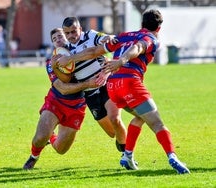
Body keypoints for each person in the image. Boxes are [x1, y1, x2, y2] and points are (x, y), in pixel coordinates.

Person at [58, 9, 190, 174]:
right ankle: (173, 157)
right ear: (159, 28)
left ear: (141, 24)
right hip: (129, 83)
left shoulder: (125, 35)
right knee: (156, 122)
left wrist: (70, 58)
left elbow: (93, 51)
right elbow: (138, 47)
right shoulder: (152, 38)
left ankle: (127, 155)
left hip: (113, 86)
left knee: (140, 116)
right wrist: (122, 60)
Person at [22, 28, 101, 170]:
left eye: (60, 36)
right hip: (56, 101)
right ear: (53, 45)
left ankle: (51, 137)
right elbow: (62, 88)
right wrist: (87, 84)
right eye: (54, 39)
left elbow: (101, 58)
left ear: (69, 37)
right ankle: (34, 157)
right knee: (40, 137)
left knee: (61, 149)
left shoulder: (82, 54)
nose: (57, 39)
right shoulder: (51, 63)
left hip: (77, 106)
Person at [61, 17, 127, 152]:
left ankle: (127, 154)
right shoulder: (64, 52)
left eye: (74, 32)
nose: (71, 36)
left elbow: (105, 38)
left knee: (115, 119)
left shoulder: (90, 36)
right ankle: (123, 144)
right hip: (90, 94)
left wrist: (107, 38)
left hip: (106, 84)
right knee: (112, 132)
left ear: (80, 29)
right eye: (67, 33)